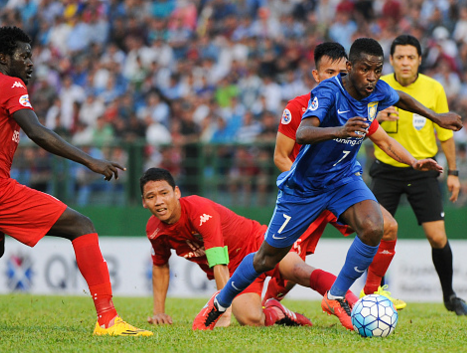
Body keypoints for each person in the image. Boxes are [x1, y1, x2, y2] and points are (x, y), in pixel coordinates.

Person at [193, 37, 461, 331]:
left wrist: (436, 119)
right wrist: (340, 130)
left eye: (377, 69)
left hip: (344, 179)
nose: (372, 77)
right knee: (265, 259)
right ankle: (218, 304)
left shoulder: (377, 91)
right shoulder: (328, 92)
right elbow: (304, 132)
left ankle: (336, 295)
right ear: (349, 67)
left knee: (375, 226)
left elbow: (401, 98)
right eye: (364, 69)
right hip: (305, 188)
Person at [0, 26, 152, 337]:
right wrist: (91, 161)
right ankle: (108, 320)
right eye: (25, 56)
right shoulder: (10, 85)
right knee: (82, 226)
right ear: (4, 58)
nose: (31, 62)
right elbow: (38, 132)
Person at [271, 42, 406, 312]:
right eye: (328, 72)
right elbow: (280, 157)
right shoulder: (297, 107)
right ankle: (270, 299)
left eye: (340, 71)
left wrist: (414, 162)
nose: (336, 78)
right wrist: (305, 190)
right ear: (316, 75)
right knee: (290, 263)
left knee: (385, 226)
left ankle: (372, 293)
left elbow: (385, 142)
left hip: (339, 189)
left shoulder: (359, 103)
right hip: (306, 193)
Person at [140, 167, 325, 328]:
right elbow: (160, 265)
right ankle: (277, 312)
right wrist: (159, 312)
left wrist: (222, 312)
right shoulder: (154, 230)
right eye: (151, 197)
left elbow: (217, 260)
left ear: (177, 192)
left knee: (298, 271)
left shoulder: (199, 210)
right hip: (236, 270)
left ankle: (343, 298)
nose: (158, 201)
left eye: (164, 193)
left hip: (258, 245)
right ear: (144, 202)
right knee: (252, 320)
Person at [371, 34, 467, 316]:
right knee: (372, 233)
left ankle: (449, 296)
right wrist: (377, 118)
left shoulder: (433, 88)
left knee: (437, 237)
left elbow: (445, 135)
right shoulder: (378, 85)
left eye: (410, 57)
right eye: (399, 57)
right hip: (386, 169)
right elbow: (358, 122)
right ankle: (374, 293)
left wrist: (453, 172)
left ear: (420, 60)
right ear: (391, 60)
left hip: (424, 170)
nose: (405, 62)